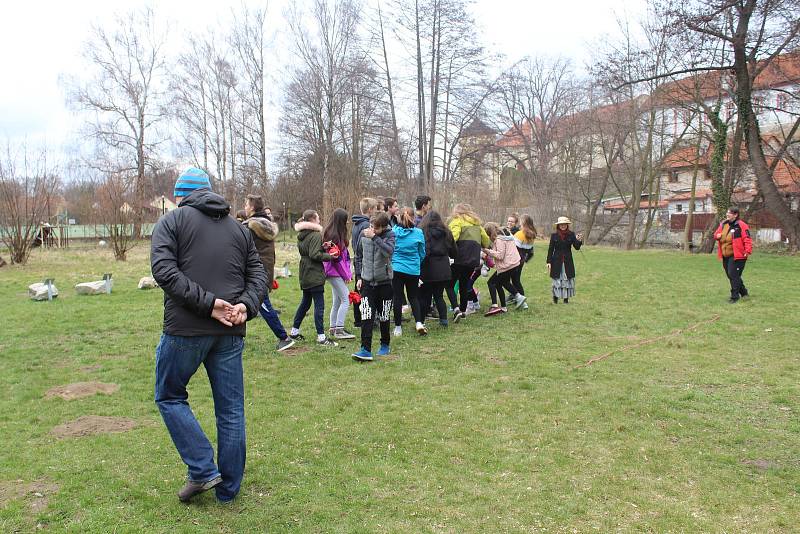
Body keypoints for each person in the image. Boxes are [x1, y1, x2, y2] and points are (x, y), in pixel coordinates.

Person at [151, 167, 267, 504]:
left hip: (186, 329)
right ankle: (228, 489)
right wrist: (243, 305)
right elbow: (259, 273)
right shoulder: (239, 229)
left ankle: (203, 470)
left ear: (181, 194)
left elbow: (163, 271)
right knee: (230, 410)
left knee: (169, 395)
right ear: (210, 192)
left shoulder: (170, 222)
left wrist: (229, 305)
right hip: (229, 330)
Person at [242, 194, 295, 351]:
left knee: (263, 305)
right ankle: (233, 339)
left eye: (246, 204)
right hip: (264, 271)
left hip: (255, 274)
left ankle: (284, 338)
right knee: (243, 303)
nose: (244, 207)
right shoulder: (265, 225)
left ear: (252, 207)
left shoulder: (250, 227)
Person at [290, 210, 339, 346]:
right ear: (312, 220)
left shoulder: (302, 234)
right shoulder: (316, 234)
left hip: (304, 272)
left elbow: (310, 250)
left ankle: (294, 332)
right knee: (319, 305)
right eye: (318, 218)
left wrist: (322, 247)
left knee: (305, 303)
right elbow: (314, 254)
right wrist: (330, 256)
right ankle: (321, 337)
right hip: (314, 272)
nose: (319, 220)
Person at [352, 212, 396, 361]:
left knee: (384, 316)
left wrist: (375, 238)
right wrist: (359, 276)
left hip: (384, 283)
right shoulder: (363, 235)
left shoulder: (390, 236)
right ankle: (365, 349)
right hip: (366, 283)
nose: (371, 230)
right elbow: (358, 256)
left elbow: (388, 252)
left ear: (383, 227)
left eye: (376, 228)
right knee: (366, 314)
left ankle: (385, 344)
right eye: (371, 226)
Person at [448, 203, 490, 322]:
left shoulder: (457, 221)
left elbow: (453, 238)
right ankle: (462, 311)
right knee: (464, 284)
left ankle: (456, 309)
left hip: (459, 258)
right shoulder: (477, 225)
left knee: (449, 285)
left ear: (457, 212)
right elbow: (486, 241)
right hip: (473, 261)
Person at [391, 207, 428, 335]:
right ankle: (418, 322)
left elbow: (390, 249)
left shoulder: (394, 231)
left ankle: (398, 327)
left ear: (399, 217)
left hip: (397, 268)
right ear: (412, 218)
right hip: (413, 269)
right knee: (413, 297)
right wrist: (416, 261)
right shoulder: (418, 233)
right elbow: (422, 253)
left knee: (397, 298)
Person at [419, 210, 457, 327]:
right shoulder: (447, 232)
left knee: (425, 297)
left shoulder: (422, 232)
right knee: (439, 296)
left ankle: (421, 322)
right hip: (443, 269)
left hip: (427, 268)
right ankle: (444, 320)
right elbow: (454, 252)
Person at [323, 208, 355, 339]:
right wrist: (346, 275)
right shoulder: (335, 237)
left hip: (334, 272)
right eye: (346, 220)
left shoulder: (332, 233)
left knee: (337, 301)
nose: (347, 222)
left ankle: (333, 327)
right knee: (346, 299)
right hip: (334, 272)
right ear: (341, 220)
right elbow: (338, 260)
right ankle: (339, 330)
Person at [714, 206, 752, 303]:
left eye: (729, 213)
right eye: (727, 212)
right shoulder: (723, 224)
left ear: (735, 215)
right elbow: (716, 234)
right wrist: (717, 236)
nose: (727, 214)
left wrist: (747, 251)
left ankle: (734, 297)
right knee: (732, 275)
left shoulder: (741, 225)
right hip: (725, 255)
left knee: (733, 275)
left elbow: (747, 239)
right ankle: (744, 293)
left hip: (737, 255)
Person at [483, 222, 522, 316]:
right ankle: (504, 307)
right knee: (499, 284)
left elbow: (500, 255)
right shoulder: (506, 235)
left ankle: (495, 305)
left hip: (507, 265)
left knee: (491, 282)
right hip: (514, 263)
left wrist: (487, 251)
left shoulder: (499, 239)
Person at [351, 198, 378, 328]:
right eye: (375, 208)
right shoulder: (366, 225)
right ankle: (363, 319)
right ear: (369, 210)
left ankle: (358, 319)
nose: (376, 211)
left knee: (358, 290)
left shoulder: (356, 223)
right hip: (363, 261)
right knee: (365, 292)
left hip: (358, 260)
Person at [546, 216, 583, 304]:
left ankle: (566, 299)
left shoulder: (571, 234)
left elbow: (576, 247)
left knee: (567, 280)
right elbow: (550, 249)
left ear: (567, 225)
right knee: (557, 279)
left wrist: (579, 240)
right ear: (558, 225)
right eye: (561, 224)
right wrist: (548, 262)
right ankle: (555, 297)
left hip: (567, 261)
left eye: (564, 224)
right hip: (556, 261)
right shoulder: (554, 235)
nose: (563, 226)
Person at [507, 214, 536, 310]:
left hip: (514, 261)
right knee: (516, 280)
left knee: (512, 281)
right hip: (521, 261)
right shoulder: (531, 235)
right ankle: (518, 299)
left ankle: (521, 300)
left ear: (524, 223)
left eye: (521, 221)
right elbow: (529, 250)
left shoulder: (520, 234)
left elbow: (513, 247)